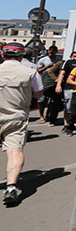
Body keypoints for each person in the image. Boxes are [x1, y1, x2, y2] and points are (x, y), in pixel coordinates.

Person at [0, 42, 44, 204]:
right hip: (16, 117)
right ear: (21, 56)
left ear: (2, 55)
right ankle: (11, 187)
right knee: (14, 151)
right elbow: (38, 94)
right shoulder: (30, 72)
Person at [56, 48, 76, 134]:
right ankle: (66, 124)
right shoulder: (69, 62)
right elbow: (62, 74)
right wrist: (58, 85)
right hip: (69, 87)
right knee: (68, 107)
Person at [36, 45, 61, 123]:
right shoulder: (43, 60)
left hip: (54, 82)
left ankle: (47, 115)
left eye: (53, 51)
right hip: (44, 81)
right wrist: (47, 66)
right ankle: (41, 115)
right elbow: (39, 71)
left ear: (56, 51)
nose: (51, 52)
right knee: (42, 99)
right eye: (50, 51)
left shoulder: (59, 60)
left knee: (52, 100)